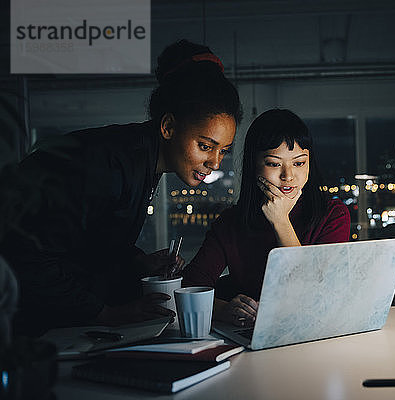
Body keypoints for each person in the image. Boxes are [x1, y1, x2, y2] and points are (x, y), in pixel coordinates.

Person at [0, 39, 242, 336]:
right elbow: (29, 254)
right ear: (168, 127)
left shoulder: (141, 159)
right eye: (205, 146)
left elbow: (90, 244)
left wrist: (138, 262)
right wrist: (106, 314)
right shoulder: (111, 163)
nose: (214, 162)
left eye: (223, 151)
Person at [183, 109, 350, 326]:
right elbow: (189, 289)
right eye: (274, 163)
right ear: (254, 166)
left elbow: (314, 297)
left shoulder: (332, 215)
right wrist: (224, 310)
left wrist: (280, 221)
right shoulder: (231, 222)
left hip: (314, 335)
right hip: (250, 336)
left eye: (299, 163)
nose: (288, 175)